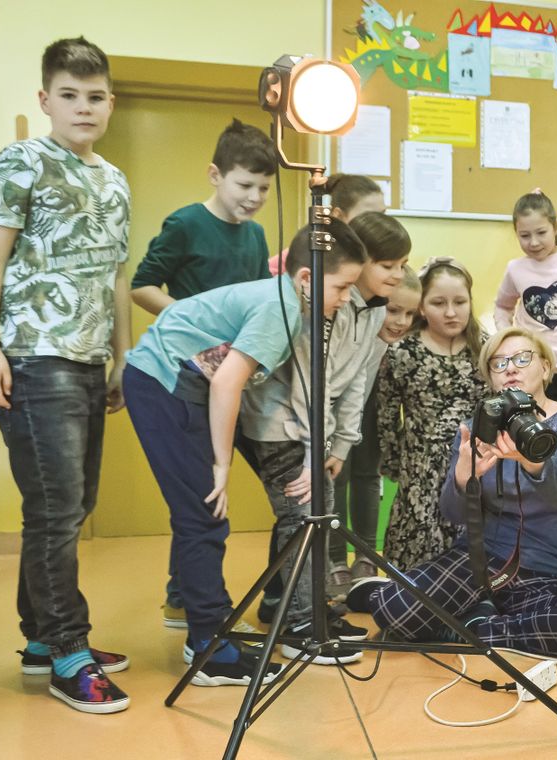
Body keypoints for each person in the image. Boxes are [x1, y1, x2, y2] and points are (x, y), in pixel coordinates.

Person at [121, 220, 363, 686]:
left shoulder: (282, 296)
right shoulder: (284, 309)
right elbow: (228, 383)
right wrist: (220, 465)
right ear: (307, 279)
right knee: (204, 515)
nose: (347, 298)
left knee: (202, 516)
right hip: (163, 384)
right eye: (343, 286)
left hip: (171, 382)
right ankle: (209, 648)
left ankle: (208, 632)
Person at [0, 37, 131, 714]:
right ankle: (69, 651)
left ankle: (40, 637)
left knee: (70, 507)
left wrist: (123, 353)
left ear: (110, 103)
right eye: (69, 95)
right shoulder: (22, 160)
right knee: (57, 510)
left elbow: (117, 276)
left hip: (90, 362)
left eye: (95, 97)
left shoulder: (115, 179)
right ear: (45, 100)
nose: (83, 107)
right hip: (34, 357)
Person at [346, 328, 557, 660]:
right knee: (393, 608)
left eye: (523, 359)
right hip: (481, 565)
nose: (511, 368)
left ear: (546, 368)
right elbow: (453, 514)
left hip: (554, 574)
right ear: (489, 378)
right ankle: (497, 622)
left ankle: (477, 627)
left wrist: (533, 461)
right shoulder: (474, 430)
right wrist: (464, 480)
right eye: (499, 363)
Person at [128, 118, 278, 629]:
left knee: (205, 492)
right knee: (201, 494)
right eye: (244, 185)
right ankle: (193, 603)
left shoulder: (256, 235)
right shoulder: (187, 223)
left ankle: (181, 593)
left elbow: (256, 304)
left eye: (263, 188)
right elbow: (142, 285)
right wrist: (191, 323)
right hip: (183, 379)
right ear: (215, 175)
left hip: (228, 379)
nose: (255, 197)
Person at [238, 217, 376, 665]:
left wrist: (331, 447)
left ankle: (303, 610)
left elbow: (344, 384)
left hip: (304, 431)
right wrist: (316, 456)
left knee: (312, 513)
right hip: (281, 430)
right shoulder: (294, 309)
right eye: (342, 287)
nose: (344, 297)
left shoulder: (330, 307)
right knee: (302, 516)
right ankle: (300, 625)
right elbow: (303, 389)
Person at [377, 258, 488, 570]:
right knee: (419, 559)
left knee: (473, 557)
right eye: (439, 303)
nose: (451, 312)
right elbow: (385, 416)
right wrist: (395, 465)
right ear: (422, 307)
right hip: (419, 472)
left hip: (476, 468)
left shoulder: (485, 351)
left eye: (460, 302)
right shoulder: (403, 352)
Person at [332, 267, 421, 587]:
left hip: (369, 405)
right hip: (335, 408)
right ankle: (335, 559)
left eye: (410, 313)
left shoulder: (394, 337)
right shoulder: (356, 329)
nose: (401, 321)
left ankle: (366, 556)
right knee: (337, 479)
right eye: (394, 311)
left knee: (368, 476)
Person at [494, 190, 557, 416]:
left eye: (541, 232)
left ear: (556, 227)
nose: (533, 242)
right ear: (516, 233)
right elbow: (502, 306)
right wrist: (508, 338)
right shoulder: (516, 269)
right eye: (524, 235)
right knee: (535, 435)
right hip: (533, 367)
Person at [268, 173, 385, 275]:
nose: (380, 222)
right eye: (369, 215)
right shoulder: (311, 249)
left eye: (383, 214)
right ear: (338, 215)